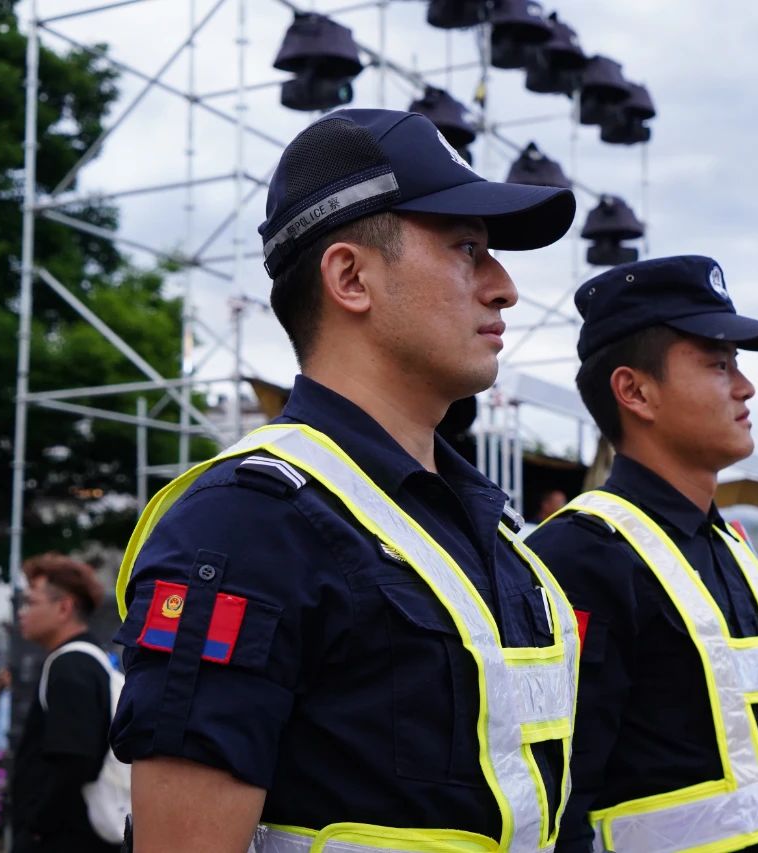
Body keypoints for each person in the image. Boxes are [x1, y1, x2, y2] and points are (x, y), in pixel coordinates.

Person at [110, 108, 579, 853]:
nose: (505, 288)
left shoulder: (493, 533)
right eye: (468, 249)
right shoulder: (246, 525)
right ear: (350, 277)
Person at [526, 255, 758, 852]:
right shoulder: (578, 557)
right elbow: (555, 800)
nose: (746, 386)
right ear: (635, 391)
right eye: (717, 364)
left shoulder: (726, 549)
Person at [12, 553, 115, 853]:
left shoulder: (71, 666)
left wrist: (36, 828)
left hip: (65, 839)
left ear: (64, 607)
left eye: (31, 602)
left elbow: (75, 760)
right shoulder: (89, 660)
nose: (22, 612)